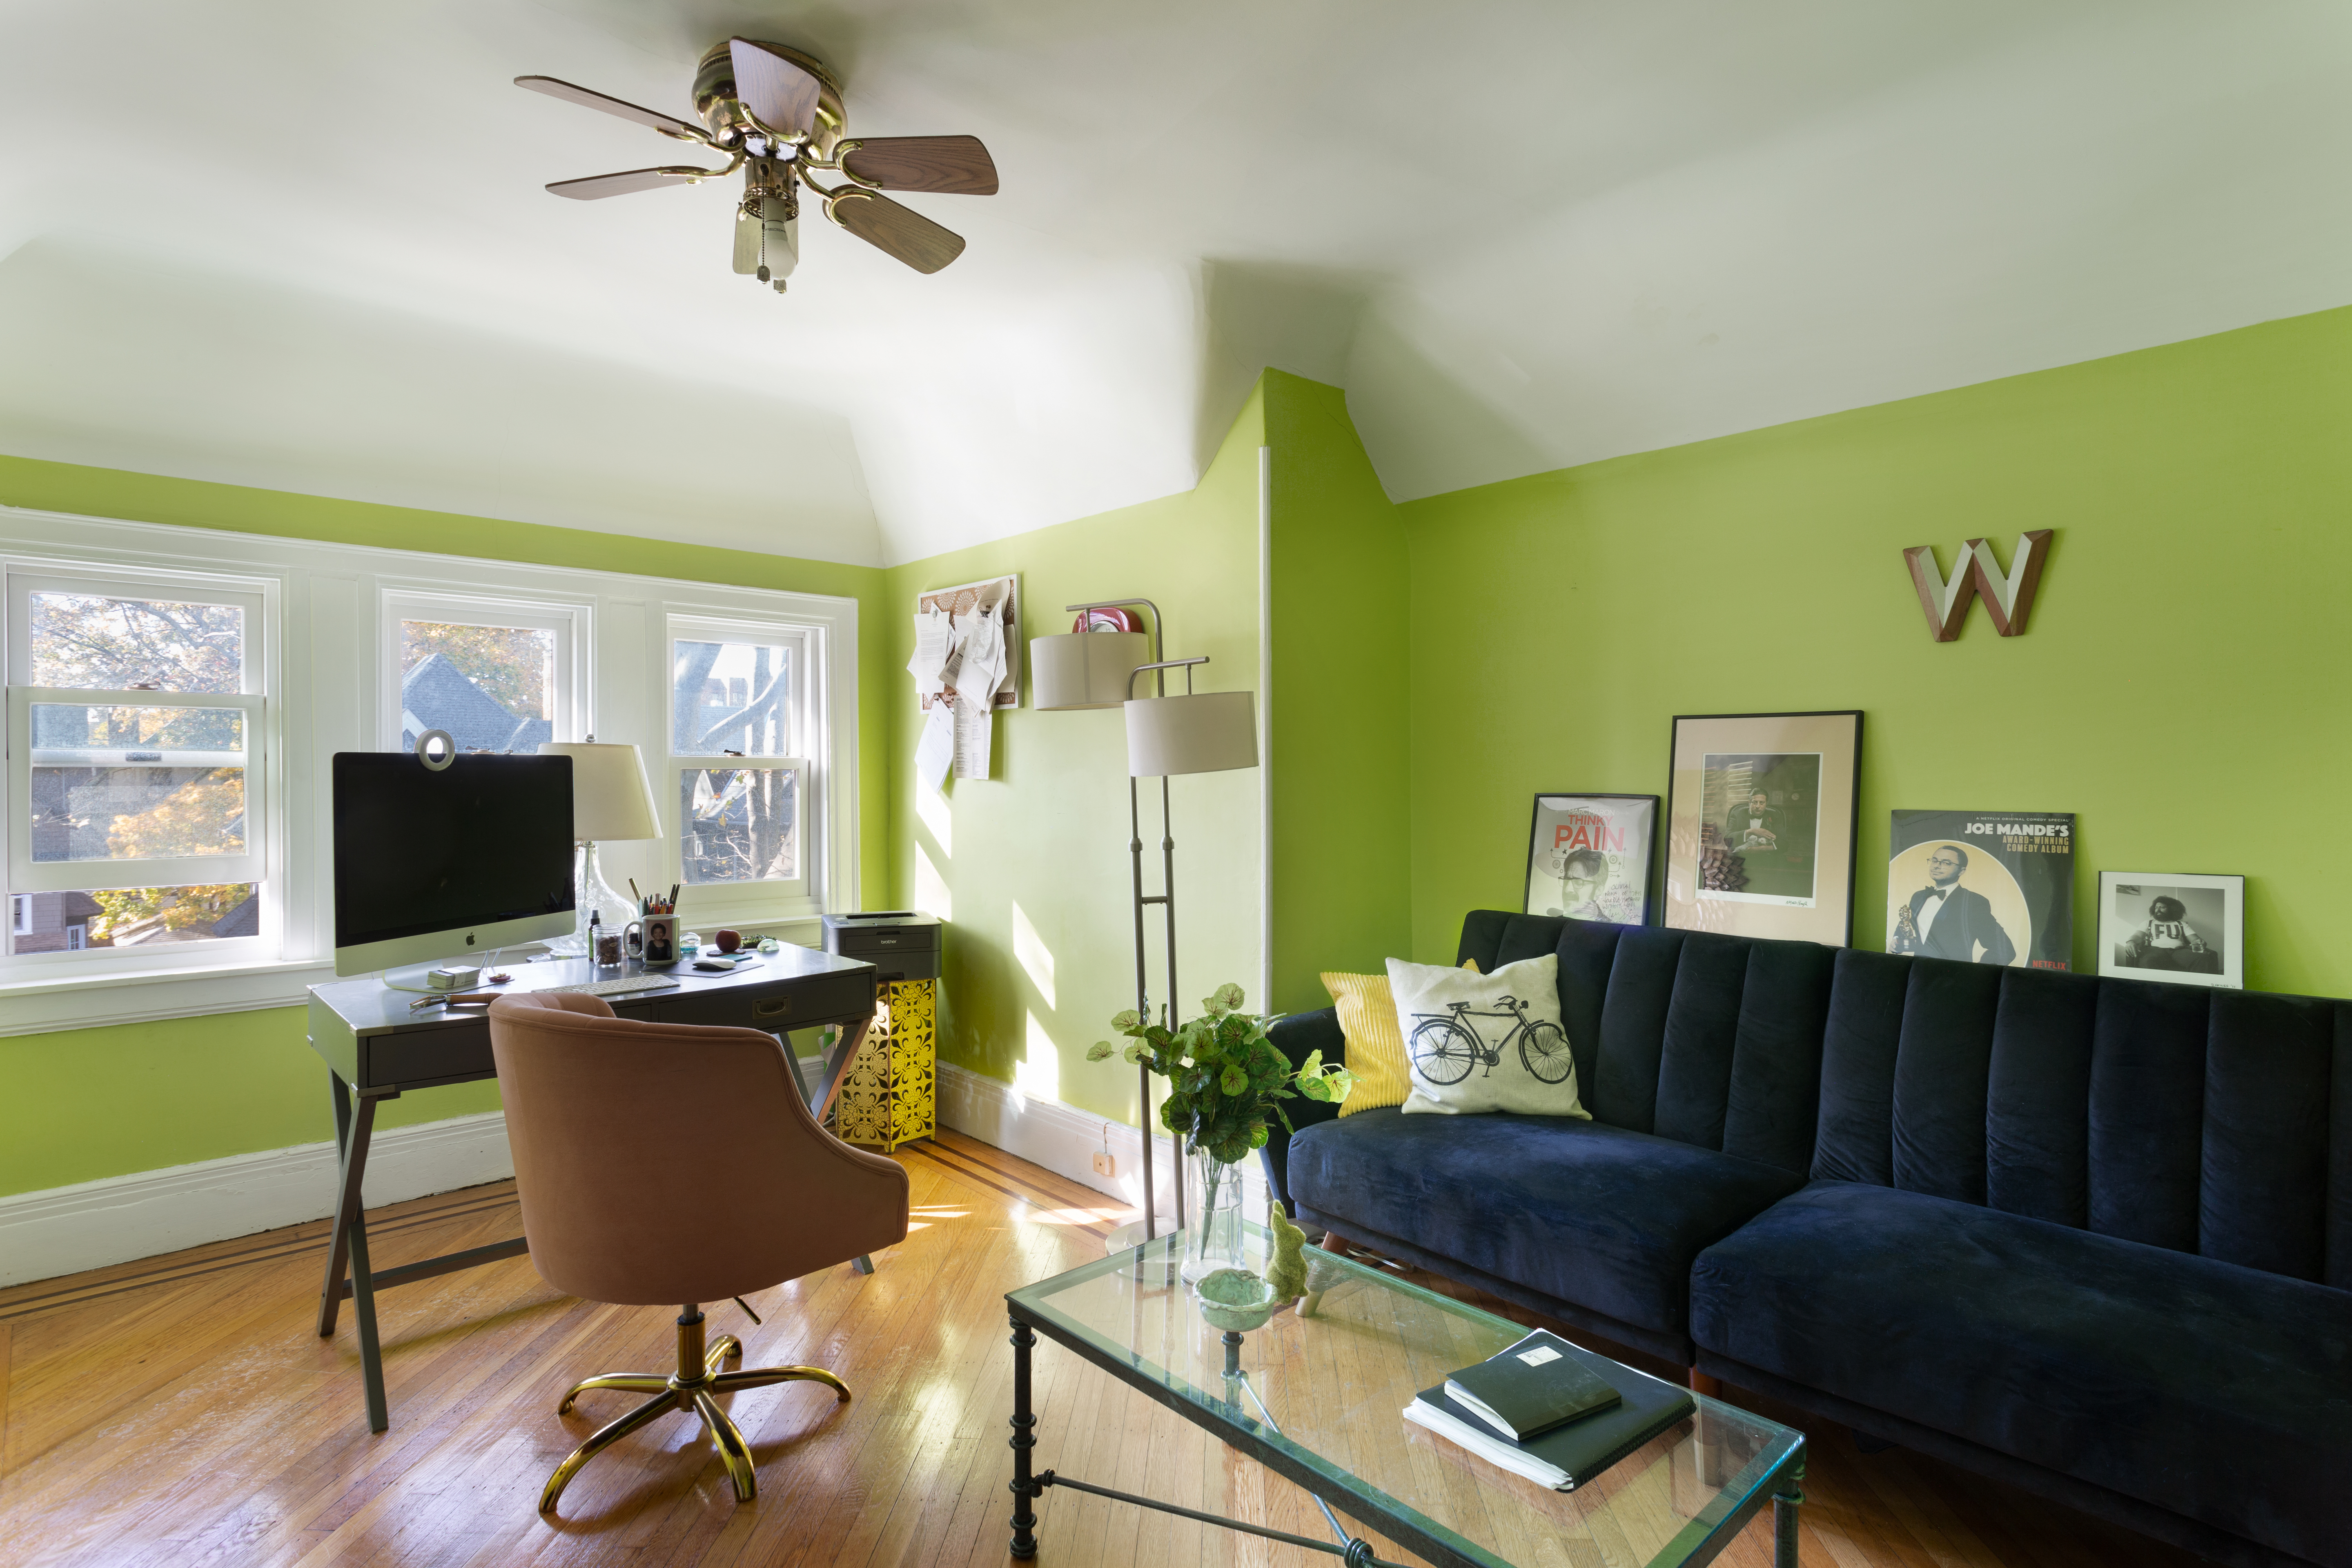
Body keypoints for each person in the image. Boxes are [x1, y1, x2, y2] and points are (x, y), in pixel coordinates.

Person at [1893, 844, 2016, 965]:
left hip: (1952, 979)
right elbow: (1908, 928)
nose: (1937, 866)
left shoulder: (1974, 902)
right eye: (1935, 861)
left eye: (1946, 863)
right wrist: (1896, 942)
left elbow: (2005, 951)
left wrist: (1973, 974)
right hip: (1918, 975)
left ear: (1962, 871)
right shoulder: (1918, 897)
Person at [2115, 894, 2222, 975]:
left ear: (2171, 909)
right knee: (2149, 961)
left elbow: (2195, 939)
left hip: (2179, 951)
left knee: (2201, 959)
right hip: (2155, 950)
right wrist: (2131, 942)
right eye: (2156, 908)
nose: (2158, 910)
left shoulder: (2181, 924)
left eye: (2162, 907)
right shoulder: (2148, 923)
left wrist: (2199, 942)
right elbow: (2138, 936)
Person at [1544, 847, 1608, 920]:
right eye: (1566, 880)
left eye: (1578, 882)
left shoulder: (1611, 929)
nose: (1567, 890)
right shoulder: (1556, 924)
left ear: (1598, 890)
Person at [1722, 789, 1780, 854]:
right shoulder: (1737, 815)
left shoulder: (1775, 816)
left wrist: (1761, 849)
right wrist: (1751, 832)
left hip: (1766, 858)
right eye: (1755, 803)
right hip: (1741, 856)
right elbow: (1728, 841)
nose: (1758, 806)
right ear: (1749, 802)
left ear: (1766, 803)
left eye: (1762, 803)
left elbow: (1784, 844)